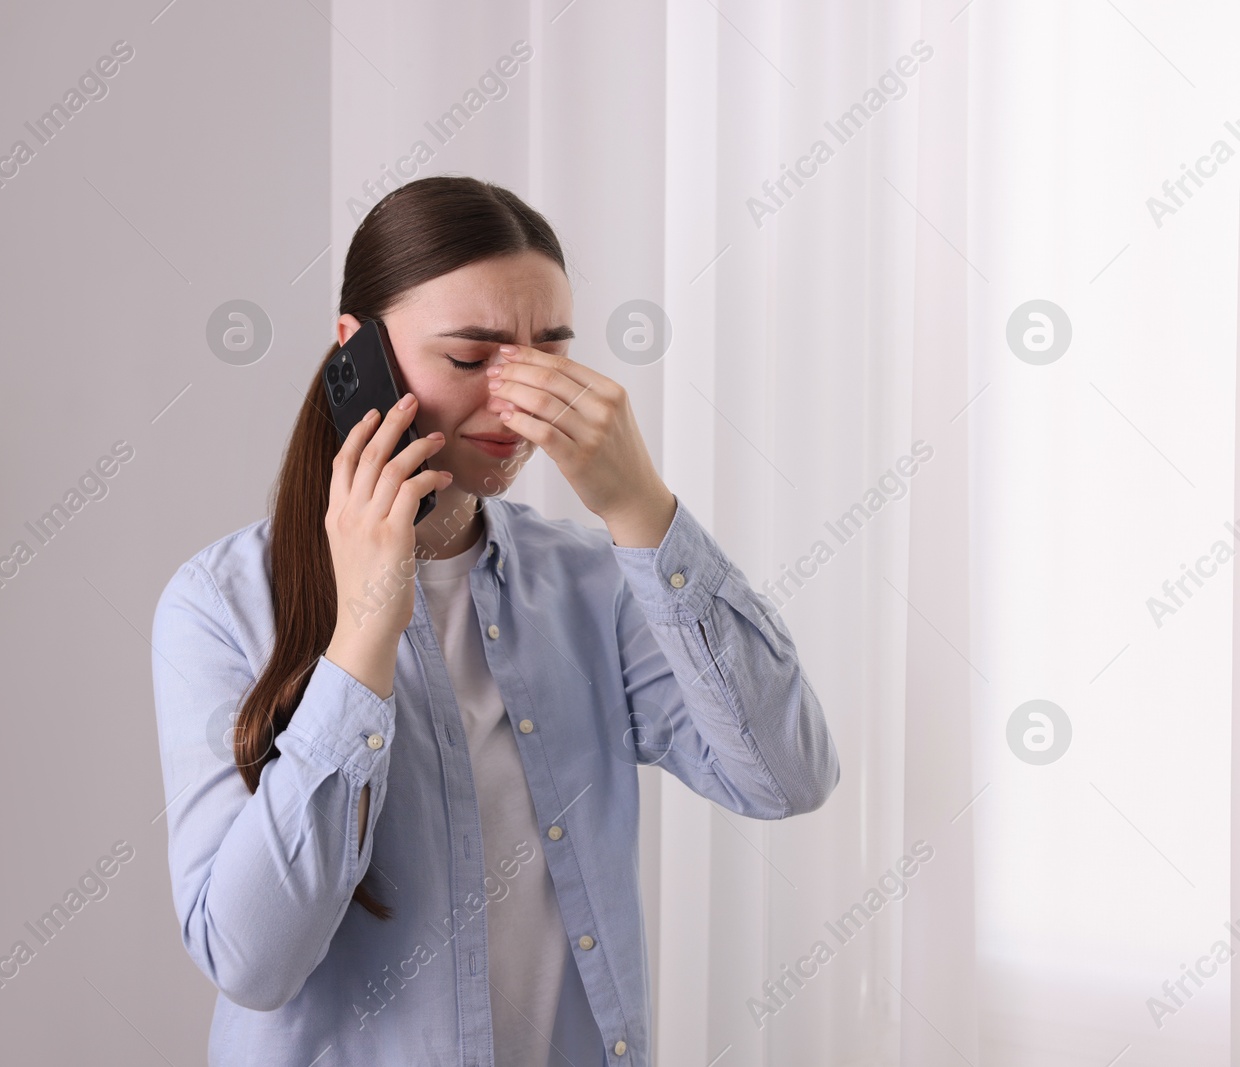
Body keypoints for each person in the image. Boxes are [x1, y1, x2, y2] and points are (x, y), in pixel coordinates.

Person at [150, 175, 840, 1067]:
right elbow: (250, 962)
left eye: (548, 356)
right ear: (355, 358)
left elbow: (788, 777)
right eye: (472, 360)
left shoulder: (595, 581)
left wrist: (643, 511)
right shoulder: (220, 605)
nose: (517, 404)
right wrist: (364, 631)